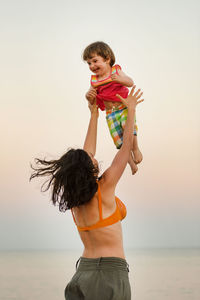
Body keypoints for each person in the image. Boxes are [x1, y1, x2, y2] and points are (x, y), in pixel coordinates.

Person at [30, 86, 143, 300]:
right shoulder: (105, 187)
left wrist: (94, 114)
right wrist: (131, 110)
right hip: (109, 275)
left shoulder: (75, 200)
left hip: (82, 275)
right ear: (87, 169)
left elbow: (87, 153)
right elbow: (126, 146)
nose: (93, 156)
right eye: (90, 158)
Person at [83, 41, 143, 175]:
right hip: (110, 113)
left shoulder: (115, 71)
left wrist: (119, 80)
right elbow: (92, 98)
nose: (92, 66)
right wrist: (88, 96)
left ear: (107, 59)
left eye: (94, 61)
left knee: (129, 131)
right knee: (119, 140)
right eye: (89, 63)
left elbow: (130, 82)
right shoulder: (94, 81)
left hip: (123, 107)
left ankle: (136, 149)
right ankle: (131, 164)